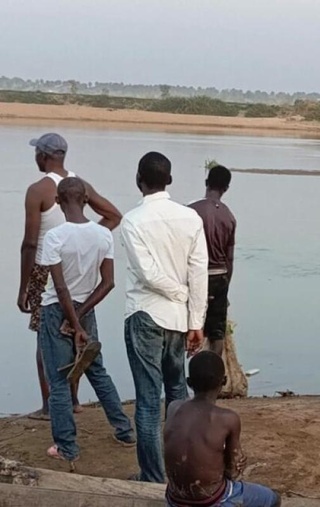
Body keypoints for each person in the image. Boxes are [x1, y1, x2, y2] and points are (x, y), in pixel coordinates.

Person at [18, 133, 122, 420]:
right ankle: (74, 399)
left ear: (42, 156)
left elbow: (29, 243)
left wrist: (24, 286)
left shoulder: (38, 190)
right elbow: (114, 215)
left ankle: (49, 405)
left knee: (46, 341)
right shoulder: (80, 185)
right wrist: (89, 237)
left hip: (46, 270)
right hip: (81, 268)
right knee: (77, 333)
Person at [122, 152, 208, 483]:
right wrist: (195, 319)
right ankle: (181, 473)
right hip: (177, 318)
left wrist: (179, 296)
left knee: (147, 403)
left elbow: (147, 274)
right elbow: (198, 271)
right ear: (169, 181)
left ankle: (154, 478)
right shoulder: (190, 218)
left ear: (139, 179)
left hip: (146, 313)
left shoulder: (132, 221)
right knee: (176, 396)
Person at [37, 178, 135, 466]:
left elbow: (60, 287)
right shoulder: (103, 234)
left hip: (57, 311)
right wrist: (81, 319)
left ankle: (67, 446)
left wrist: (72, 322)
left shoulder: (55, 237)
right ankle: (124, 431)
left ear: (57, 200)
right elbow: (108, 283)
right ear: (86, 200)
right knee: (96, 371)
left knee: (57, 381)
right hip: (86, 309)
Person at [164, 351, 280, 507]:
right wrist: (235, 462)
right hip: (211, 500)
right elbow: (233, 472)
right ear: (224, 381)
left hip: (175, 500)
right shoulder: (227, 418)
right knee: (273, 498)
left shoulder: (173, 408)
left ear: (189, 382)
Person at [188, 165, 237, 356]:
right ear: (226, 188)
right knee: (216, 333)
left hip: (196, 275)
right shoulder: (229, 216)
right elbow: (229, 258)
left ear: (206, 183)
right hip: (220, 277)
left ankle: (190, 375)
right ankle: (213, 376)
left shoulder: (190, 211)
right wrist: (225, 289)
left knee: (190, 326)